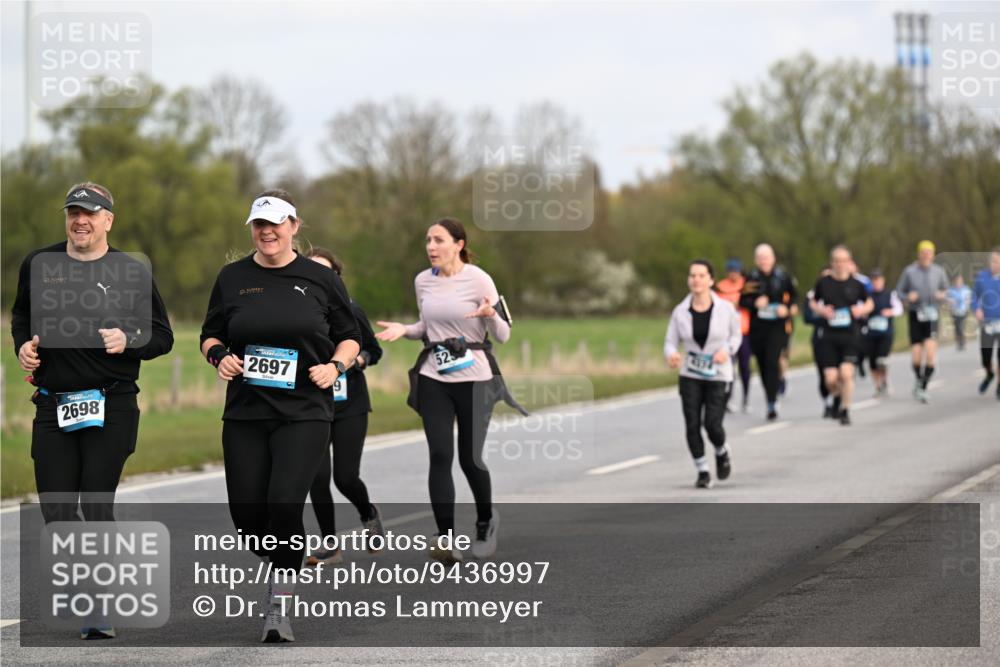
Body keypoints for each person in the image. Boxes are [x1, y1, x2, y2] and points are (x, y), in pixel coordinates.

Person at [11, 182, 174, 640]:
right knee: (56, 508)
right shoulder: (39, 264)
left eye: (90, 213)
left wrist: (129, 339)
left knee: (96, 504)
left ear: (108, 220)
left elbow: (162, 335)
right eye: (73, 212)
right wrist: (22, 345)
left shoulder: (130, 270)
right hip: (53, 404)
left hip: (112, 402)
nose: (80, 220)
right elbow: (21, 315)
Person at [199, 190, 361, 643]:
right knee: (248, 520)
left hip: (304, 411)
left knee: (285, 504)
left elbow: (350, 336)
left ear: (294, 225)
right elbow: (210, 334)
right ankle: (285, 556)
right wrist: (219, 357)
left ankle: (279, 604)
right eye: (259, 224)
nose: (267, 232)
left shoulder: (320, 278)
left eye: (275, 223)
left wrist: (335, 367)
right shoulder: (232, 277)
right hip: (246, 412)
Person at [376, 217, 524, 564]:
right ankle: (445, 538)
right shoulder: (423, 281)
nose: (431, 246)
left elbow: (503, 335)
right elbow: (427, 327)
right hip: (434, 376)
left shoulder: (480, 278)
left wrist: (490, 314)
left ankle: (485, 522)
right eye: (428, 240)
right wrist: (405, 329)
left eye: (439, 240)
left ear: (459, 244)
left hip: (475, 378)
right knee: (440, 455)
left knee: (470, 459)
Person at [303, 248, 384, 566]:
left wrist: (358, 360)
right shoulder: (297, 313)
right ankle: (330, 544)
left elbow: (373, 350)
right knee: (317, 476)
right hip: (312, 406)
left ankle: (369, 513)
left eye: (326, 272)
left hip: (350, 405)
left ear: (336, 277)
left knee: (345, 477)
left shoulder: (350, 309)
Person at [665, 260, 742, 488]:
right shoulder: (680, 311)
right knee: (692, 424)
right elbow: (670, 341)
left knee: (712, 425)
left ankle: (721, 450)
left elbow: (736, 336)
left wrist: (726, 351)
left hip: (718, 373)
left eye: (701, 275)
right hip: (690, 373)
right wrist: (671, 354)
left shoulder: (725, 308)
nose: (696, 280)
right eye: (692, 275)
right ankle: (703, 470)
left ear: (711, 280)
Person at [809, 246, 873, 426]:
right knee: (830, 379)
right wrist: (822, 310)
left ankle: (845, 410)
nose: (840, 264)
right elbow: (813, 302)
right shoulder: (823, 283)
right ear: (832, 263)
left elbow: (870, 303)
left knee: (846, 373)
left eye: (843, 261)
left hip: (850, 335)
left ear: (849, 263)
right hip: (829, 336)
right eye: (837, 261)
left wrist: (861, 310)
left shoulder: (857, 284)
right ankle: (837, 396)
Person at [739, 243, 798, 421]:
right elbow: (743, 301)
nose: (763, 261)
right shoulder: (752, 278)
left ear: (773, 258)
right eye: (760, 258)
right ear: (756, 260)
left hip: (778, 326)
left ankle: (772, 401)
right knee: (763, 365)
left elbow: (795, 298)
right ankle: (770, 396)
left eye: (766, 257)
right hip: (758, 328)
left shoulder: (783, 276)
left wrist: (786, 309)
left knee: (773, 361)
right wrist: (755, 303)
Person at [896, 240, 949, 403]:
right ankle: (919, 380)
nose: (926, 256)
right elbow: (899, 292)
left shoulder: (939, 271)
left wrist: (942, 295)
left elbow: (946, 290)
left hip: (932, 315)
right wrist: (907, 297)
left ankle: (923, 387)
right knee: (916, 357)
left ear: (933, 255)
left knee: (931, 355)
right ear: (919, 254)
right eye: (923, 253)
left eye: (929, 253)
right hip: (915, 315)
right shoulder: (909, 271)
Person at [714, 258, 752, 412]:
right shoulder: (721, 287)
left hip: (744, 332)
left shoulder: (747, 285)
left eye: (736, 271)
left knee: (745, 367)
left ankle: (746, 398)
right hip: (727, 334)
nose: (733, 274)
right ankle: (728, 398)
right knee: (729, 368)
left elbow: (752, 304)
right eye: (731, 271)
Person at [863, 269, 903, 396]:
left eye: (878, 279)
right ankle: (878, 386)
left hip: (886, 332)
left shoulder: (890, 294)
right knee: (872, 362)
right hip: (870, 333)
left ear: (883, 280)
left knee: (882, 360)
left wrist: (890, 312)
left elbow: (899, 309)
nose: (876, 282)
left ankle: (884, 378)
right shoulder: (866, 295)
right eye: (874, 280)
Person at [802, 269, 834, 417]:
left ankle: (839, 398)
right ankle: (827, 401)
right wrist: (824, 316)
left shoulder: (843, 292)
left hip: (842, 338)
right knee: (823, 373)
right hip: (821, 338)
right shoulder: (813, 296)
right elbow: (807, 317)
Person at [972, 247, 1000, 399]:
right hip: (987, 323)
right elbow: (974, 297)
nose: (993, 264)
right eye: (992, 260)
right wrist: (977, 309)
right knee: (986, 357)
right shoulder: (982, 277)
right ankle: (989, 374)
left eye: (996, 261)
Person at [946, 274, 973, 352]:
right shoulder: (951, 290)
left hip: (964, 311)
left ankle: (963, 342)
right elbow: (947, 299)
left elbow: (969, 299)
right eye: (957, 281)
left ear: (962, 281)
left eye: (960, 281)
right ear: (955, 281)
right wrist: (950, 302)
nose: (958, 282)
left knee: (961, 327)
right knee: (957, 327)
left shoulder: (966, 289)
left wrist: (967, 303)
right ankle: (959, 343)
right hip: (954, 311)